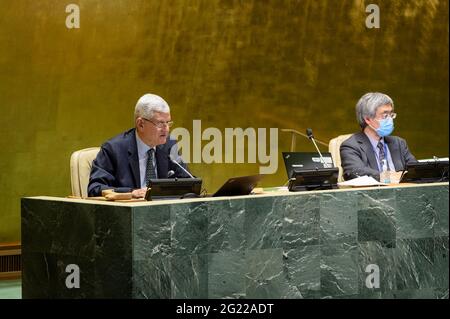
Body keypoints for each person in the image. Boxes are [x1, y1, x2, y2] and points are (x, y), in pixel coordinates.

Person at [88, 93, 192, 197]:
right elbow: (95, 188)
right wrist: (131, 193)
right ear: (141, 124)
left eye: (168, 123)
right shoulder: (113, 149)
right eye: (160, 123)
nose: (167, 129)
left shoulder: (169, 146)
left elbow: (188, 183)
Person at [340, 92, 417, 181]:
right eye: (385, 115)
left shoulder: (399, 143)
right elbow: (354, 172)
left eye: (391, 115)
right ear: (368, 119)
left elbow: (415, 170)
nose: (390, 119)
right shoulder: (351, 146)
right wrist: (388, 177)